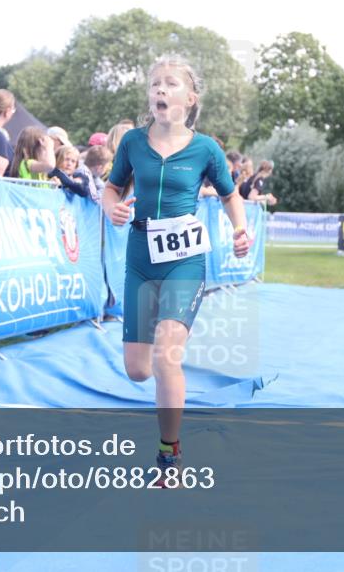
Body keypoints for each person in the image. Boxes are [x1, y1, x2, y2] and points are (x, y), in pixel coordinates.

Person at [102, 55, 250, 485]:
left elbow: (230, 195)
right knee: (138, 369)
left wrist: (240, 229)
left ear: (191, 97)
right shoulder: (132, 142)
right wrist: (113, 209)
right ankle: (162, 385)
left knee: (167, 354)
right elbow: (112, 188)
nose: (160, 90)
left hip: (185, 259)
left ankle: (169, 454)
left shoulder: (206, 149)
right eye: (154, 85)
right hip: (140, 255)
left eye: (170, 84)